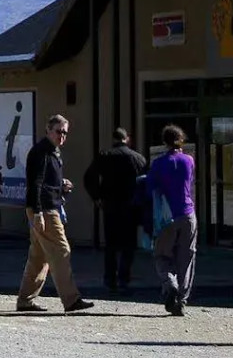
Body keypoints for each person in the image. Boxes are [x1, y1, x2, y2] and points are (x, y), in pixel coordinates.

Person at [16, 114, 93, 313]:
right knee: (61, 250)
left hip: (46, 206)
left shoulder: (52, 152)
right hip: (45, 209)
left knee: (39, 257)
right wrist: (38, 213)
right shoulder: (41, 152)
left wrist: (60, 185)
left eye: (65, 133)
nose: (62, 136)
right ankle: (71, 299)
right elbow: (35, 183)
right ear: (48, 130)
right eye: (59, 131)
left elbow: (45, 182)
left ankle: (25, 300)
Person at [85, 127, 148, 295]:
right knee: (129, 244)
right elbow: (144, 182)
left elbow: (89, 176)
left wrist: (97, 196)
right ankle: (124, 277)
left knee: (111, 245)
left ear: (114, 139)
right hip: (131, 205)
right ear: (127, 139)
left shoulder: (105, 156)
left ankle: (110, 278)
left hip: (111, 204)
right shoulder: (138, 158)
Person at [147, 124, 198, 315]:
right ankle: (182, 301)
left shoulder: (159, 163)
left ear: (164, 142)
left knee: (161, 254)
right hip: (187, 212)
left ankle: (170, 284)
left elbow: (150, 188)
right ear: (181, 140)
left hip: (167, 217)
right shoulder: (189, 160)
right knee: (186, 259)